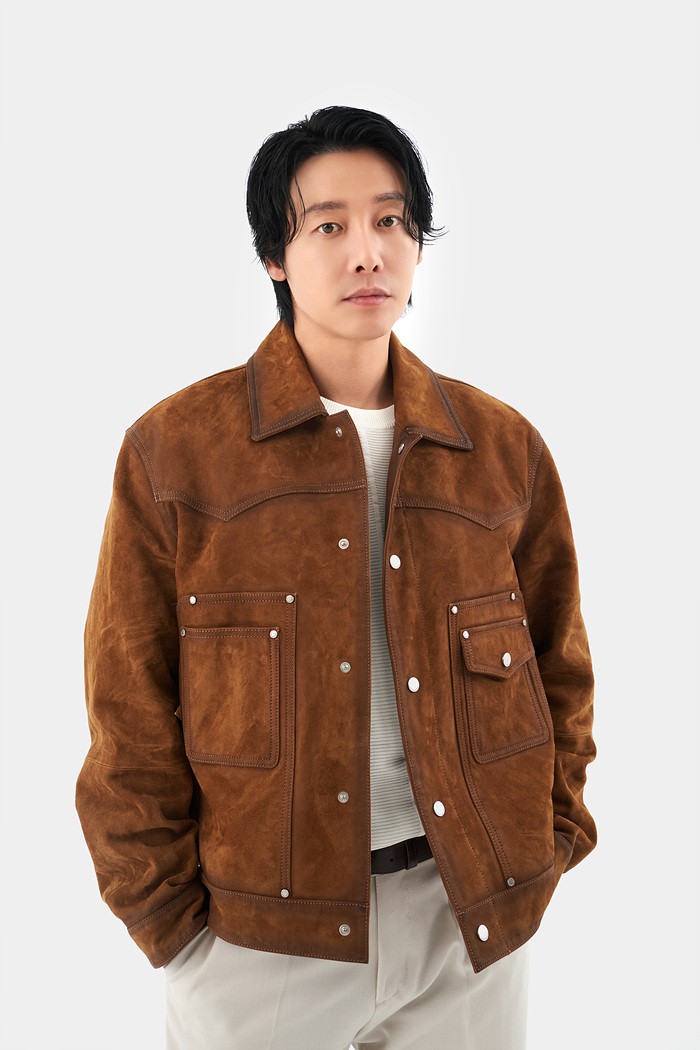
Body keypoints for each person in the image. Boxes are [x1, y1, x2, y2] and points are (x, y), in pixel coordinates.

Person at [75, 104, 597, 1050]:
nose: (368, 253)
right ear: (274, 257)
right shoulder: (177, 453)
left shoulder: (501, 449)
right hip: (260, 943)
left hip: (470, 923)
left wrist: (550, 841)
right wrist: (172, 929)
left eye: (391, 221)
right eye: (328, 227)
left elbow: (559, 670)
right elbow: (129, 707)